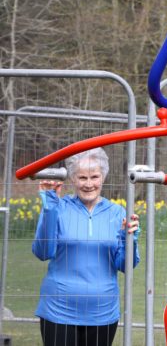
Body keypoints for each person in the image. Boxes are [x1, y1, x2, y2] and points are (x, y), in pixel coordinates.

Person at [32, 148, 140, 346]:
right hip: (58, 311)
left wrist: (129, 241)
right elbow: (43, 252)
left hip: (103, 313)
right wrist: (49, 209)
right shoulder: (59, 207)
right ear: (73, 178)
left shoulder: (117, 213)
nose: (89, 184)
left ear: (103, 177)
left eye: (94, 177)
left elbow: (125, 265)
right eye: (82, 177)